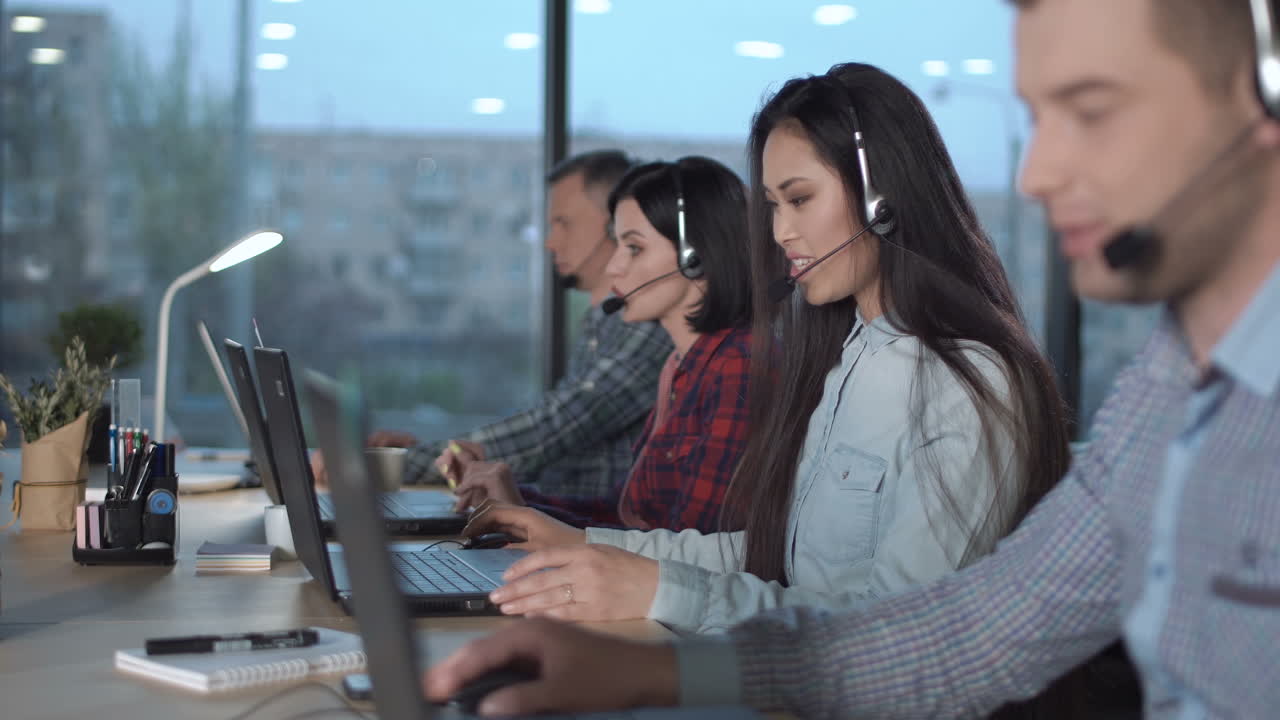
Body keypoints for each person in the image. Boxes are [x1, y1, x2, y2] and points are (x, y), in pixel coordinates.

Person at [426, 0, 1280, 717]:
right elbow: (970, 630)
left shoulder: (963, 380)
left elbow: (920, 627)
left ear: (1267, 92)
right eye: (1035, 121)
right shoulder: (1167, 390)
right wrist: (639, 628)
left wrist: (654, 604)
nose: (1037, 173)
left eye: (1092, 110)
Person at [459, 62, 1070, 636]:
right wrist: (580, 545)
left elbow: (901, 635)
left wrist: (660, 591)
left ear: (882, 199)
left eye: (799, 200)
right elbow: (771, 556)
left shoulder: (965, 384)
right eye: (774, 206)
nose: (779, 233)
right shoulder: (849, 356)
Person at [312, 151, 673, 499]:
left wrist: (392, 465)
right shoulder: (602, 323)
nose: (549, 242)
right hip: (566, 526)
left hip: (586, 539)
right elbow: (548, 445)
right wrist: (434, 455)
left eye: (563, 223)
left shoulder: (649, 328)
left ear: (614, 225)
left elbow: (551, 429)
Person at [452, 157, 754, 534]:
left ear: (695, 257)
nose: (614, 267)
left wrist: (546, 531)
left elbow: (691, 551)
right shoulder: (679, 367)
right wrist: (518, 504)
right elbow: (626, 517)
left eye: (634, 248)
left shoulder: (738, 369)